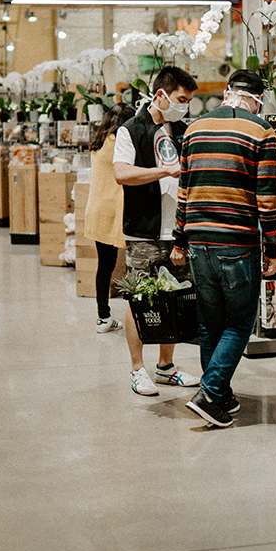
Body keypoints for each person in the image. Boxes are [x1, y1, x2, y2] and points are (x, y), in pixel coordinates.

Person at [171, 70, 276, 428]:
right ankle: (210, 391)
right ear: (258, 99)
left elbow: (183, 190)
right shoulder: (261, 131)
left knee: (210, 323)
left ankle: (221, 396)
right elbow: (267, 197)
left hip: (198, 241)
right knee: (239, 322)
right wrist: (274, 246)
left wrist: (178, 239)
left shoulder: (193, 129)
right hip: (236, 242)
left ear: (226, 93)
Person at [113, 66, 201, 396]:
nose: (185, 106)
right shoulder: (131, 130)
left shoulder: (184, 130)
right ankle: (138, 369)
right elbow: (121, 173)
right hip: (144, 229)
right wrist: (162, 170)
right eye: (181, 99)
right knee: (140, 299)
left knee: (174, 298)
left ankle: (166, 366)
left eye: (189, 100)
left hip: (178, 229)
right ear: (161, 95)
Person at [84, 102, 136, 332]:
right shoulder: (120, 143)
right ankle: (137, 316)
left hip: (97, 209)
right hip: (116, 210)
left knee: (104, 265)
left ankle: (103, 317)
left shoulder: (99, 142)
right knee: (134, 263)